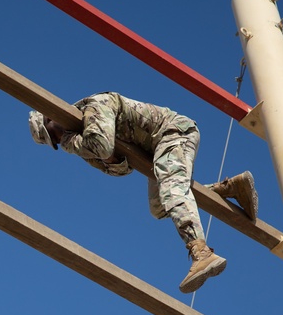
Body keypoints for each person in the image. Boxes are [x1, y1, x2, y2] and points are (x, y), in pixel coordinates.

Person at [29, 91, 257, 293]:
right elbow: (120, 170)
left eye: (53, 135)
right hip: (155, 153)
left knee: (172, 190)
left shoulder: (95, 105)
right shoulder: (84, 137)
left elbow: (101, 147)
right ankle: (228, 188)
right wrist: (107, 157)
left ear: (52, 117)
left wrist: (79, 145)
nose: (60, 141)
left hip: (173, 132)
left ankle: (201, 252)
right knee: (159, 207)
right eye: (56, 143)